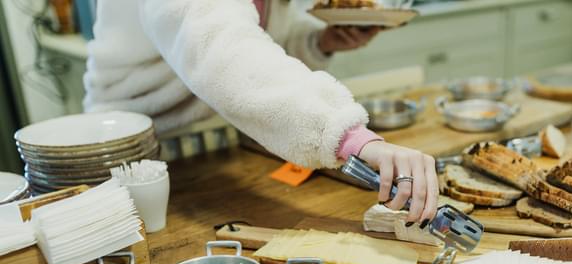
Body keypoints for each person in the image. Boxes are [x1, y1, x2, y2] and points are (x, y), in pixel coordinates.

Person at [83, 0, 439, 224]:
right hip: (129, 156)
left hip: (205, 156)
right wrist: (348, 134)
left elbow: (259, 35)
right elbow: (224, 52)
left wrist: (319, 42)